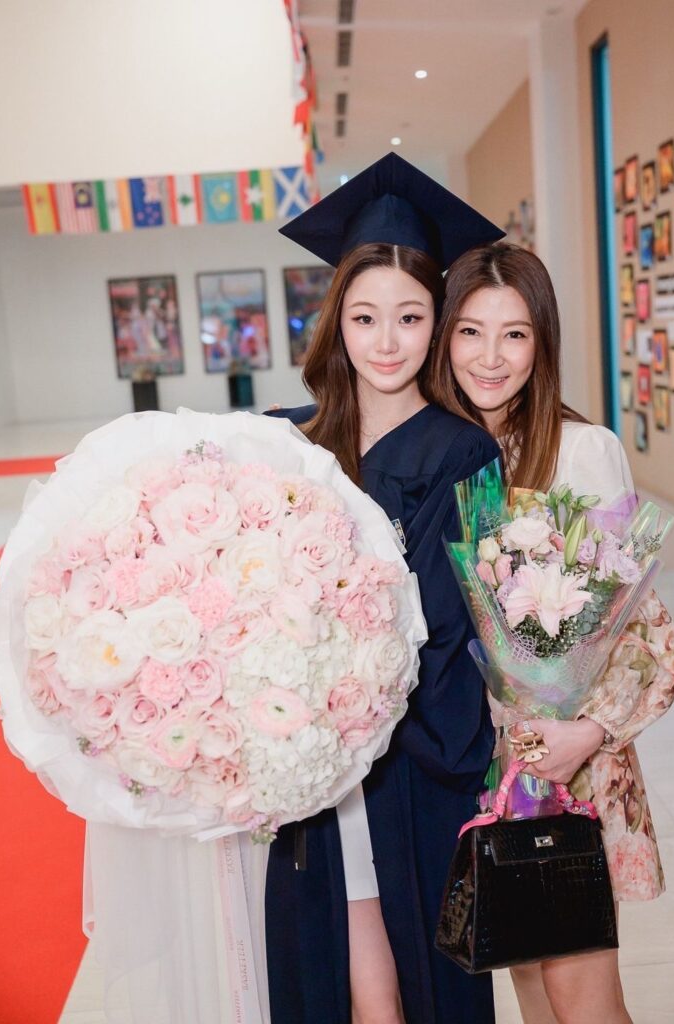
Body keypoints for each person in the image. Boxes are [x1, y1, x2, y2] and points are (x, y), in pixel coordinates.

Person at [265, 152, 504, 1024]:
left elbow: (462, 626)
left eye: (410, 316)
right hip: (311, 772)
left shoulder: (465, 453)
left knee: (417, 984)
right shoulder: (286, 446)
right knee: (345, 984)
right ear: (338, 322)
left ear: (437, 322)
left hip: (415, 768)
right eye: (365, 317)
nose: (387, 340)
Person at [429, 242, 674, 1024]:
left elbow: (633, 627)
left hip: (570, 758)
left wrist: (587, 730)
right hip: (484, 763)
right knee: (533, 991)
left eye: (514, 333)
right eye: (470, 331)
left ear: (542, 342)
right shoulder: (438, 456)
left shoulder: (583, 450)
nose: (490, 356)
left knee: (583, 997)